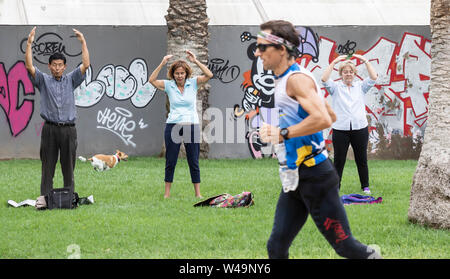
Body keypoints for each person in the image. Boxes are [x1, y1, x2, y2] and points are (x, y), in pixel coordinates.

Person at [257, 20, 381, 259]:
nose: (257, 52)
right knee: (276, 247)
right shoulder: (291, 78)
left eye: (263, 47)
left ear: (281, 49)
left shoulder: (296, 80)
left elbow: (324, 119)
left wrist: (282, 134)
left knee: (347, 247)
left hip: (315, 177)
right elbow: (332, 114)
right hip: (295, 176)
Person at [25, 26, 90, 196]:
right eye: (54, 65)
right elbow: (29, 66)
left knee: (68, 166)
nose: (57, 68)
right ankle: (46, 197)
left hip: (69, 129)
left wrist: (83, 42)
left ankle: (68, 198)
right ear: (49, 66)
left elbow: (86, 64)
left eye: (60, 65)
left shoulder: (71, 80)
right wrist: (29, 44)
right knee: (48, 166)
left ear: (65, 66)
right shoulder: (43, 80)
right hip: (50, 129)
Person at [149, 50, 213, 198]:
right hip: (173, 126)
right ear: (173, 74)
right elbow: (151, 80)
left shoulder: (193, 83)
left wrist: (195, 61)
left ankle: (198, 194)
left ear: (186, 73)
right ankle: (167, 194)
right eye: (177, 73)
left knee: (193, 160)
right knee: (171, 160)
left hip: (191, 125)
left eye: (182, 73)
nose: (179, 76)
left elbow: (209, 75)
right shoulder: (168, 85)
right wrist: (162, 63)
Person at [321, 54, 378, 194]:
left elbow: (373, 77)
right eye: (345, 72)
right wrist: (334, 62)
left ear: (354, 74)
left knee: (361, 159)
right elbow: (324, 79)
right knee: (339, 160)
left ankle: (365, 186)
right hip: (341, 128)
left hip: (360, 128)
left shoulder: (360, 86)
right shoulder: (335, 88)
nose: (348, 74)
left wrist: (365, 61)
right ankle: (335, 187)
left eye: (351, 72)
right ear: (341, 74)